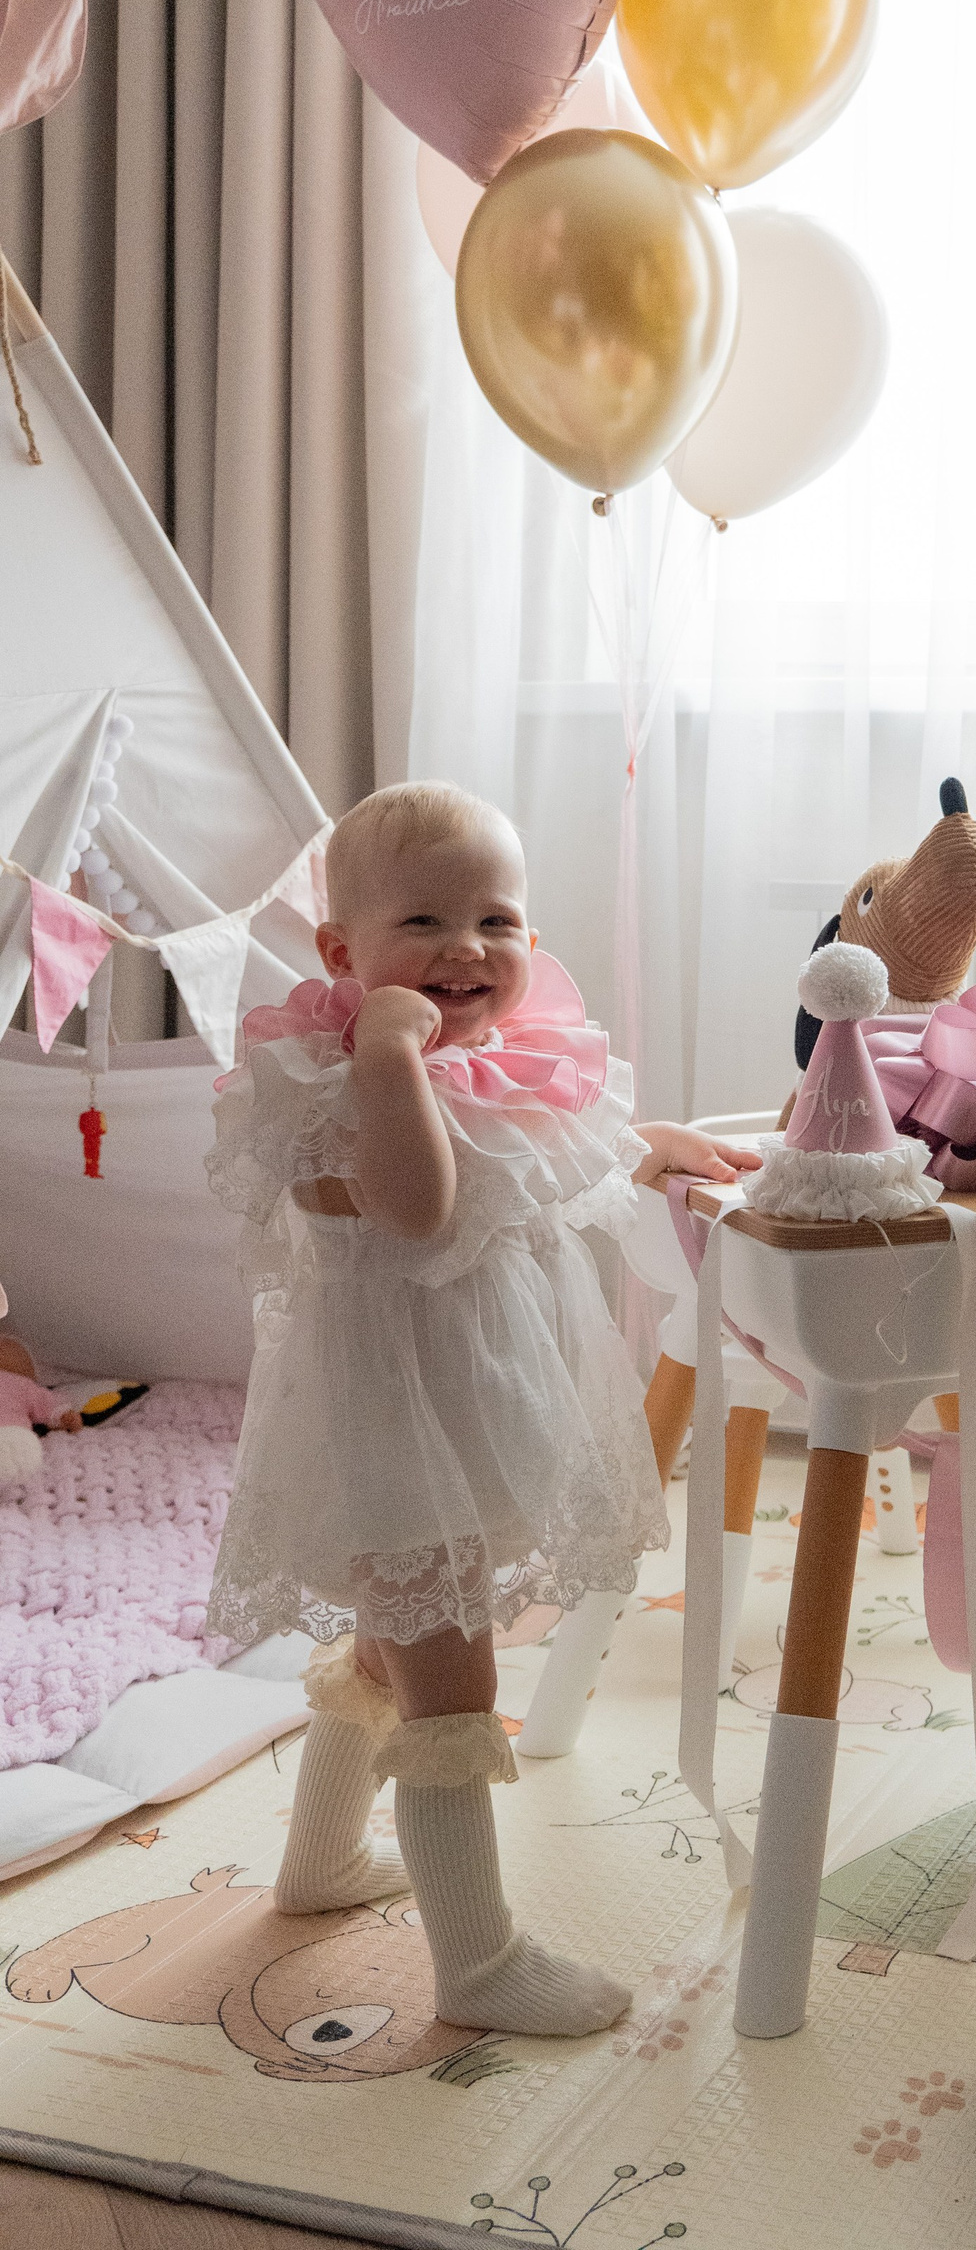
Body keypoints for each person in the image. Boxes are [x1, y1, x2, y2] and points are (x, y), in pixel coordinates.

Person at [205, 781, 758, 2038]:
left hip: (467, 1418)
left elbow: (532, 1164)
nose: (468, 948)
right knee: (450, 1690)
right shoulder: (327, 1082)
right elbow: (419, 1209)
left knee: (385, 1649)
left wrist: (653, 1144)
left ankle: (317, 1866)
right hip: (395, 1435)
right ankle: (478, 1964)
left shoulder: (482, 1065)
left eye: (497, 921)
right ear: (341, 953)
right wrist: (388, 1053)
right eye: (424, 922)